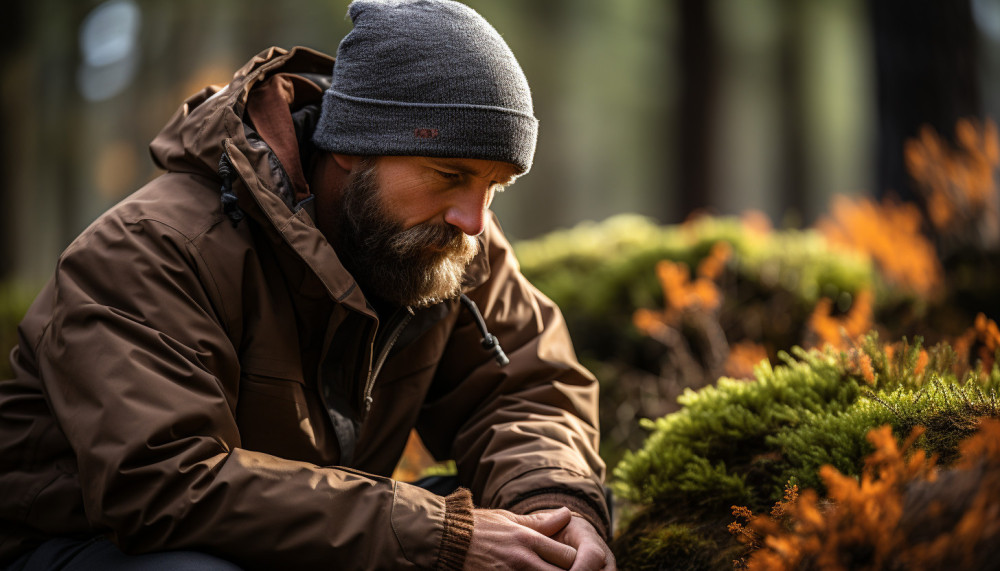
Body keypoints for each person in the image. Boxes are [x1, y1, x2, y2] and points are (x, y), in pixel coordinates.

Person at [0, 0, 615, 569]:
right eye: (449, 173)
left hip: (306, 534)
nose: (475, 220)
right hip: (94, 547)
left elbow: (525, 392)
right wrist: (439, 533)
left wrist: (551, 509)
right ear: (351, 146)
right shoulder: (151, 249)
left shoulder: (449, 241)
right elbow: (161, 484)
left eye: (494, 187)